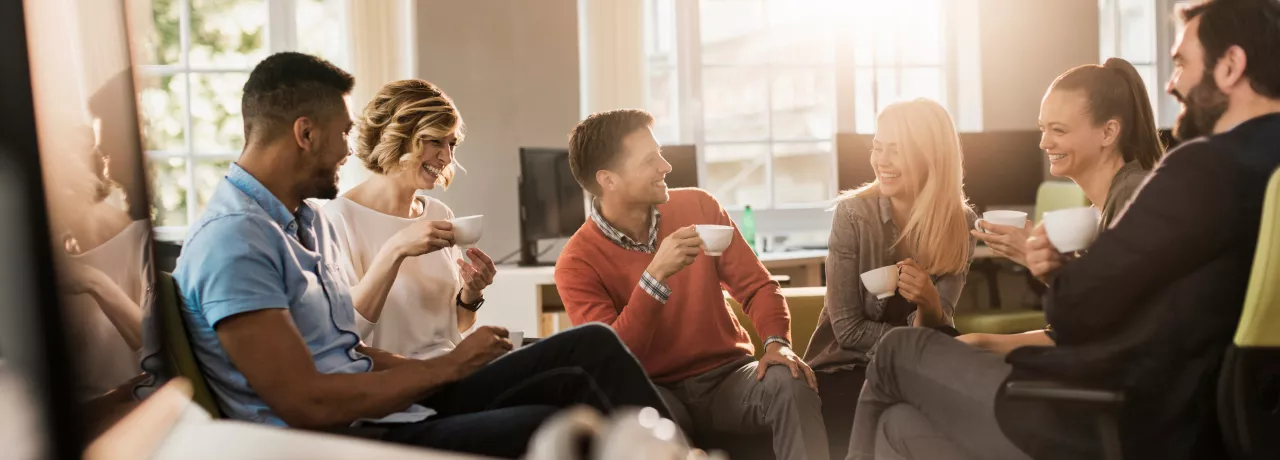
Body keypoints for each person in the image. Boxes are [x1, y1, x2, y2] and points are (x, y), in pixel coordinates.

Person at [171, 52, 671, 459]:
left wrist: (458, 355)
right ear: (305, 133)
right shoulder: (236, 239)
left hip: (386, 403)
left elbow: (349, 350)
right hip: (343, 434)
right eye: (343, 133)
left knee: (589, 345)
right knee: (549, 423)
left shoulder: (300, 221)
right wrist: (445, 369)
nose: (351, 149)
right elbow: (307, 401)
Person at [847, 1, 1280, 458]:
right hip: (1188, 417)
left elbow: (1079, 309)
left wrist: (1051, 266)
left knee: (897, 349)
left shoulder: (1201, 169)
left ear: (1230, 65)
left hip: (1111, 417)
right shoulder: (1265, 168)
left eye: (1181, 64)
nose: (1173, 84)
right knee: (899, 426)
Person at [555, 109, 829, 460]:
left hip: (730, 378)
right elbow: (613, 359)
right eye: (650, 160)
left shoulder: (699, 205)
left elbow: (758, 286)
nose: (665, 167)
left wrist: (777, 344)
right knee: (646, 421)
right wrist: (654, 279)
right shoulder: (576, 263)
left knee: (790, 383)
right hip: (656, 391)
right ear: (609, 180)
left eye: (661, 154)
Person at [801, 98, 976, 460]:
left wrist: (928, 302)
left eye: (895, 150)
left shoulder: (960, 224)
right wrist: (909, 345)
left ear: (931, 155)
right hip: (845, 367)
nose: (881, 160)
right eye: (877, 148)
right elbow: (847, 329)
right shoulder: (853, 216)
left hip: (917, 368)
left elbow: (937, 327)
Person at [962, 57, 1167, 356]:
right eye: (1043, 128)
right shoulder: (1111, 202)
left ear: (1108, 133)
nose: (1044, 142)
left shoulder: (1134, 197)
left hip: (1118, 380)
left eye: (1058, 130)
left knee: (903, 352)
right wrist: (1048, 266)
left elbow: (1116, 329)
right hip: (1100, 365)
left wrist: (1040, 263)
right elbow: (1091, 318)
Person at [322, 79, 492, 359]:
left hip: (453, 373)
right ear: (397, 137)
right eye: (435, 141)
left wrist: (470, 295)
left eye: (452, 144)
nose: (447, 157)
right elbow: (346, 333)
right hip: (400, 385)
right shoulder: (338, 218)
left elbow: (454, 328)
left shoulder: (439, 213)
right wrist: (396, 248)